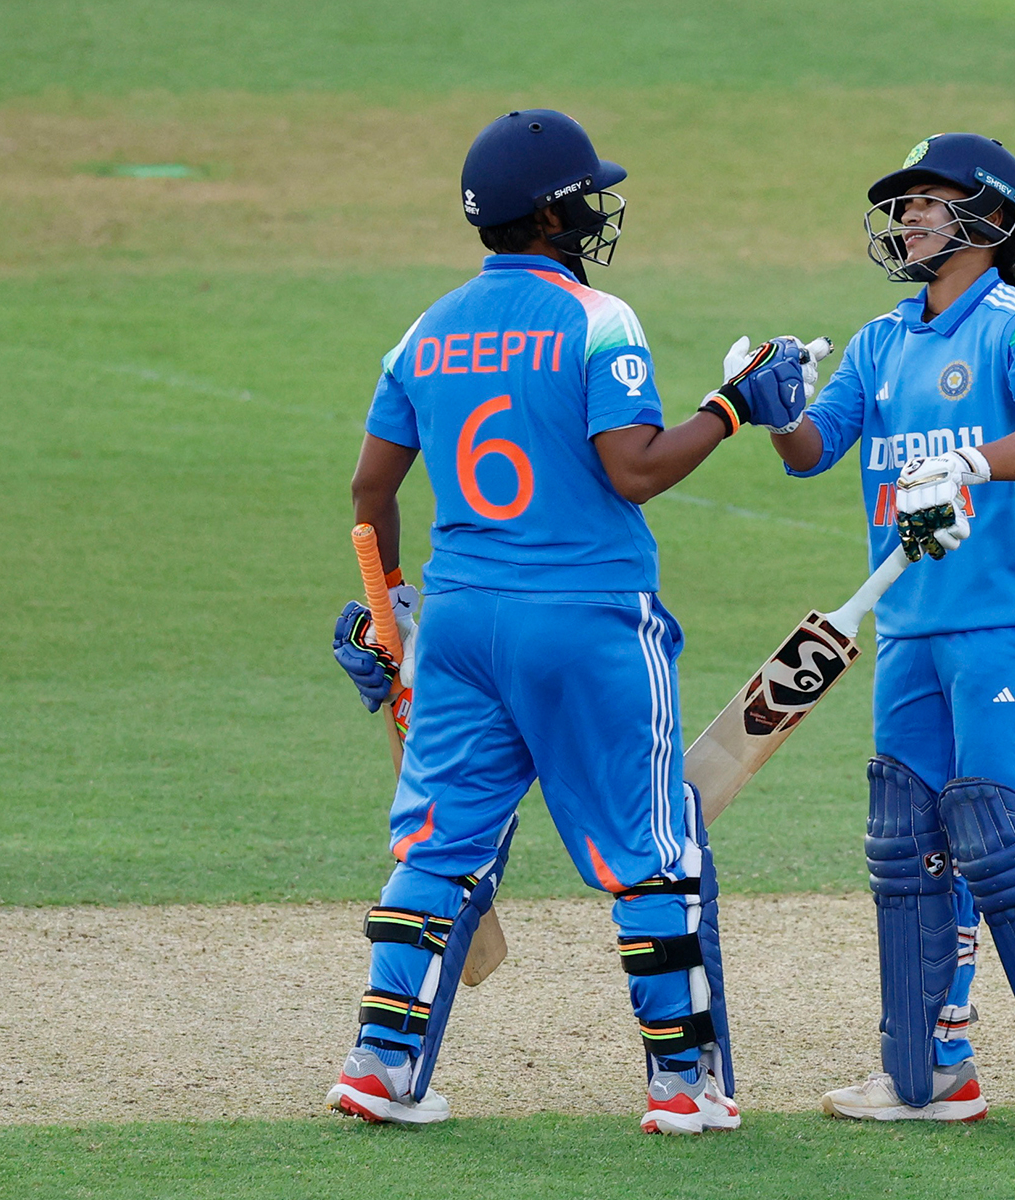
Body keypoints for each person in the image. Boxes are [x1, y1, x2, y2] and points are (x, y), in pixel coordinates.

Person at [324, 109, 817, 1133]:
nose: (598, 211)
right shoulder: (598, 318)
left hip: (460, 626)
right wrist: (731, 406)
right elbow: (633, 470)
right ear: (550, 215)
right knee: (651, 850)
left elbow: (370, 493)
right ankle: (681, 1084)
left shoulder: (425, 330)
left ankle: (380, 1065)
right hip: (586, 619)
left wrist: (391, 612)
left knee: (438, 846)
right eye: (586, 198)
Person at [766, 133, 1015, 1134]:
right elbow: (812, 451)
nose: (907, 218)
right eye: (903, 204)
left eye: (928, 200)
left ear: (991, 218)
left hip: (1005, 620)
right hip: (907, 627)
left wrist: (972, 461)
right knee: (909, 845)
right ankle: (928, 1071)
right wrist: (774, 405)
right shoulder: (880, 341)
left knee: (1003, 841)